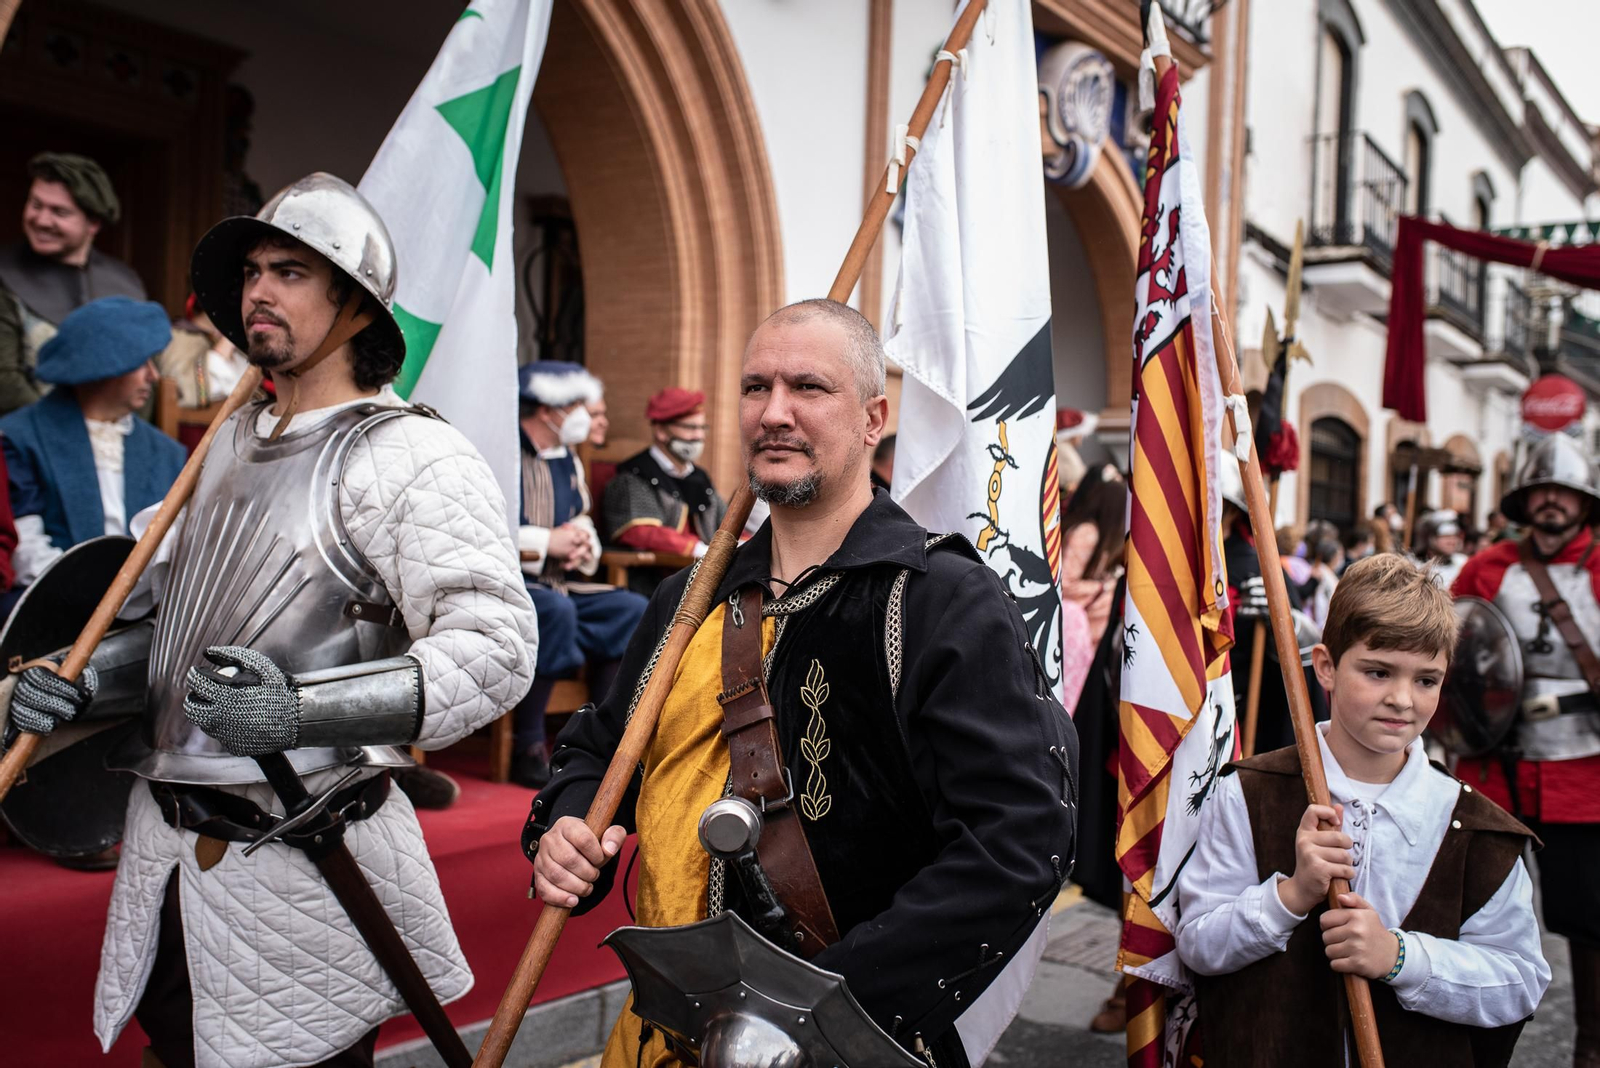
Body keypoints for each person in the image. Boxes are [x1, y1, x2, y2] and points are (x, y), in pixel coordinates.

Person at [2, 173, 537, 1068]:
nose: (258, 291)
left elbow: (496, 648)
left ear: (357, 306)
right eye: (251, 270)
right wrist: (83, 682)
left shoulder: (415, 454)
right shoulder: (224, 441)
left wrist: (298, 711)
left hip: (305, 850)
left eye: (289, 270)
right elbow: (183, 641)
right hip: (165, 846)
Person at [523, 298, 1078, 1067]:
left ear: (872, 417)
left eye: (808, 388)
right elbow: (594, 749)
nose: (774, 413)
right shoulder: (691, 602)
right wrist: (568, 828)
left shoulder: (941, 600)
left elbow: (1021, 840)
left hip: (842, 1043)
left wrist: (820, 1010)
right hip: (660, 1040)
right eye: (756, 388)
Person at [1178, 553, 1549, 1066]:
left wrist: (1399, 957)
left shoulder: (1479, 832)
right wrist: (1290, 896)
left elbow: (1520, 982)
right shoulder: (1249, 793)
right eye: (1377, 672)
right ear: (1326, 666)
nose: (1402, 699)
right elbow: (1197, 944)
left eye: (1426, 680)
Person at [1452, 433, 1600, 1068]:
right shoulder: (1487, 568)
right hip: (1495, 770)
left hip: (1586, 775)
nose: (1550, 503)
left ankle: (1591, 1048)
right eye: (1541, 491)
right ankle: (1466, 1047)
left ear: (1583, 502)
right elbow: (1447, 648)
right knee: (1474, 914)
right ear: (1523, 500)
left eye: (1563, 493)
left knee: (1590, 922)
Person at [513, 361, 648, 788]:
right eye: (576, 405)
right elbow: (475, 526)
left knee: (630, 609)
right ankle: (527, 745)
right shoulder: (501, 451)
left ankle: (596, 738)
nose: (584, 415)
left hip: (563, 580)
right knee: (555, 612)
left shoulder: (567, 458)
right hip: (513, 581)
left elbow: (581, 515)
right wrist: (542, 543)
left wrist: (581, 541)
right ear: (547, 409)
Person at [0, 296, 185, 588]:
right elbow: (27, 553)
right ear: (101, 367)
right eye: (140, 363)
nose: (154, 375)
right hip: (52, 611)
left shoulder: (168, 454)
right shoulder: (20, 439)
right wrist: (91, 597)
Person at [0, 153, 146, 413]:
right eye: (36, 204)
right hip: (25, 440)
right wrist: (72, 432)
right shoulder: (4, 277)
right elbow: (5, 382)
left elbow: (142, 379)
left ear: (94, 223)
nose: (42, 220)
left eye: (59, 212)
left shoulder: (125, 284)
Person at [601, 386, 728, 594]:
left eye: (701, 428)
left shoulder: (699, 477)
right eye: (689, 428)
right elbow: (639, 532)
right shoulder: (633, 476)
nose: (698, 437)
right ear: (660, 431)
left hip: (702, 578)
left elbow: (727, 523)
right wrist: (696, 549)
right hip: (653, 583)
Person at [1418, 509, 1468, 588]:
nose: (1452, 542)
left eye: (1454, 536)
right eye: (1446, 536)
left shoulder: (1463, 563)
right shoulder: (1416, 566)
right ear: (1431, 539)